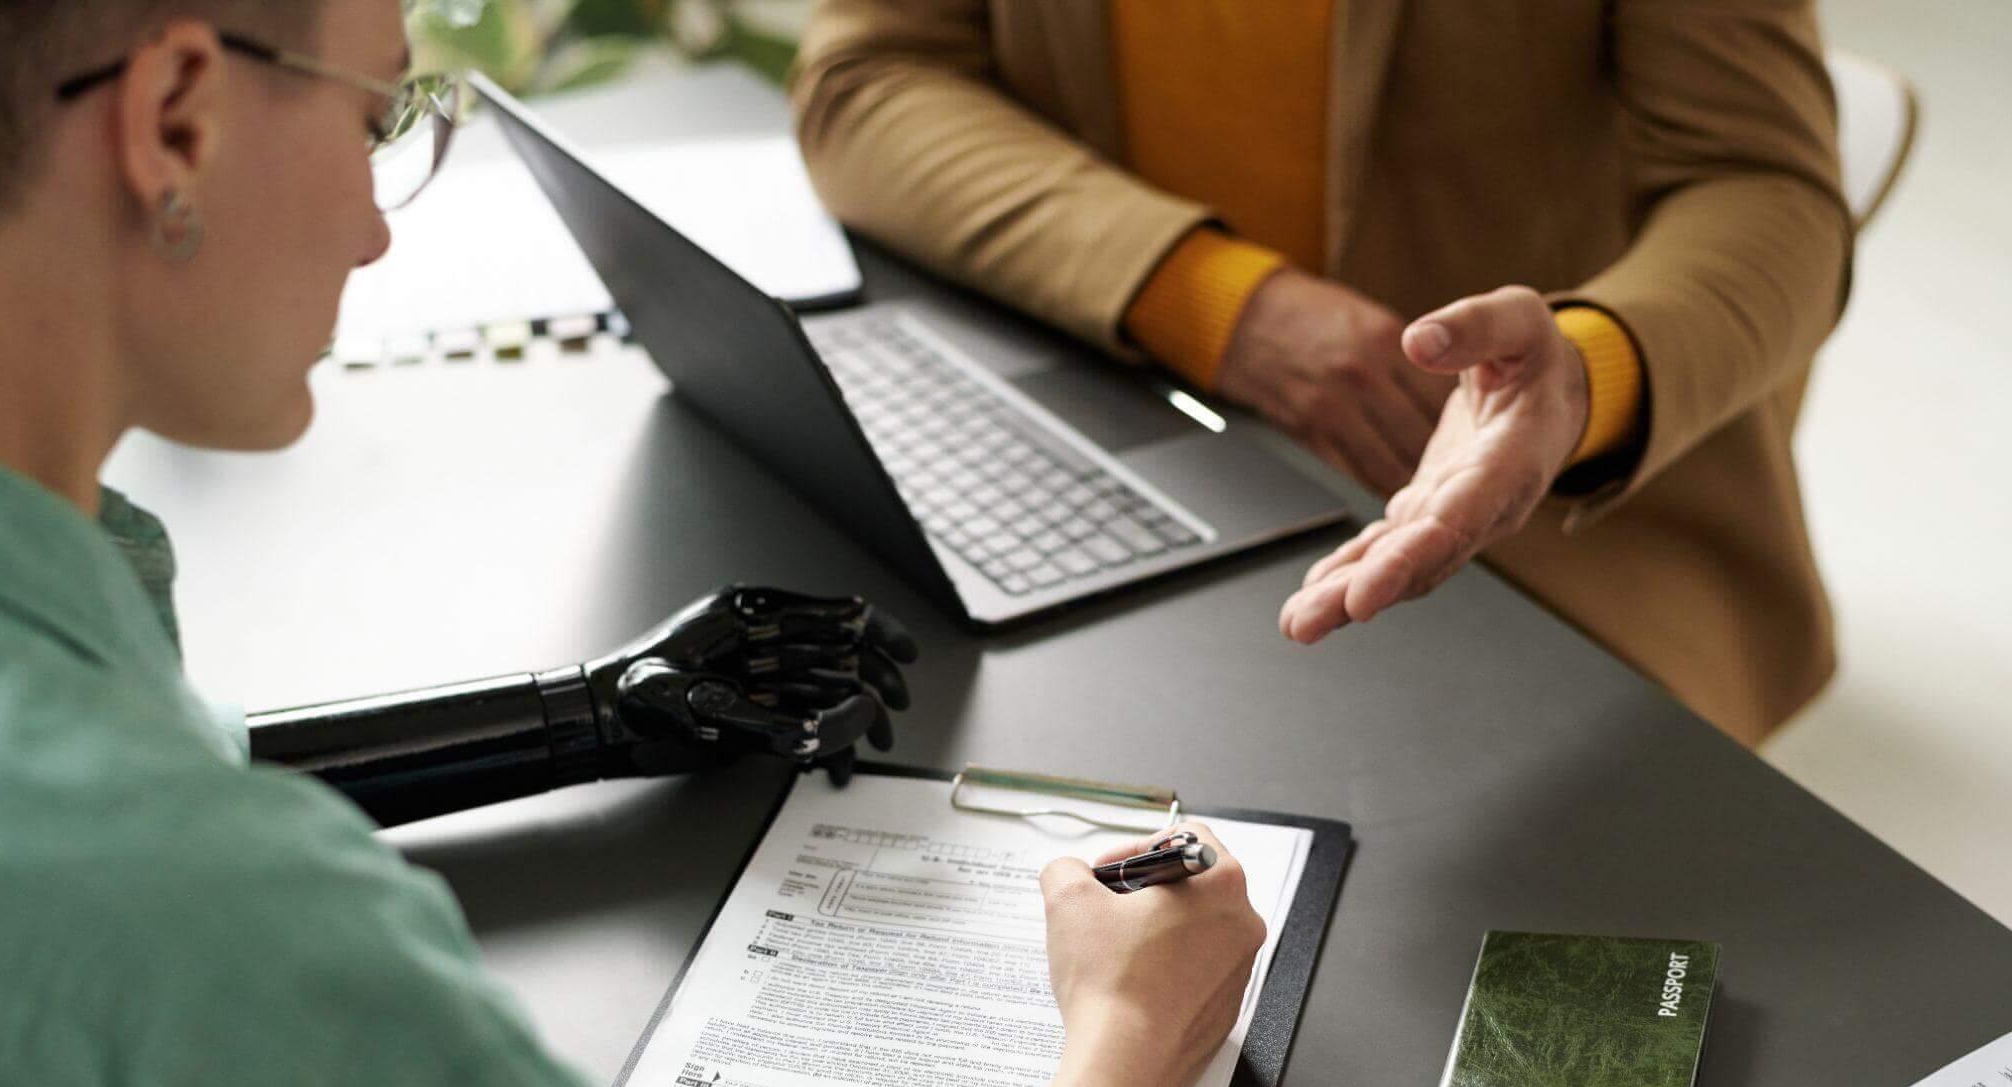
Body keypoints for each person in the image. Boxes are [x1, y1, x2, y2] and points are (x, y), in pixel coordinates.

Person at [0, 1, 1267, 1087]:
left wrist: (592, 714)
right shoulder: (212, 929)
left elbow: (128, 754)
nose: (376, 229)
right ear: (177, 115)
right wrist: (1127, 1035)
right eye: (374, 120)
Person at [792, 0, 1854, 746]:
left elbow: (1769, 192)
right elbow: (868, 77)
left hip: (1535, 510)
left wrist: (1582, 377)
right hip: (1121, 409)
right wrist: (1214, 303)